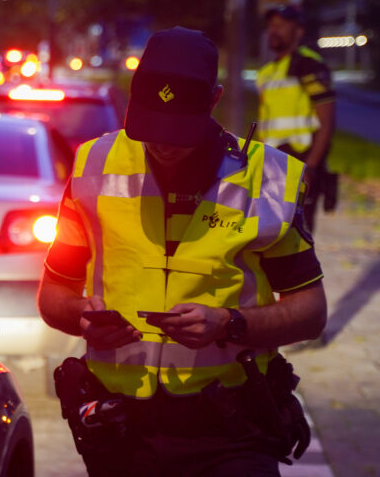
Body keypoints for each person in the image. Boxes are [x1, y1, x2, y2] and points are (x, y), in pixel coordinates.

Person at [38, 26, 327, 477]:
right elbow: (53, 295)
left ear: (215, 99)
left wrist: (231, 324)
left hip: (231, 432)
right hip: (120, 434)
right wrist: (81, 315)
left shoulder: (265, 181)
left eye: (179, 129)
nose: (163, 143)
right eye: (151, 125)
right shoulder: (93, 165)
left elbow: (310, 312)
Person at [256, 5, 337, 232]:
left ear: (298, 31)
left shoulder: (310, 66)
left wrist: (310, 168)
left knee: (297, 237)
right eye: (272, 25)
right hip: (271, 165)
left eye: (281, 26)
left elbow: (326, 122)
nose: (274, 31)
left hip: (299, 162)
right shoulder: (267, 72)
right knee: (266, 234)